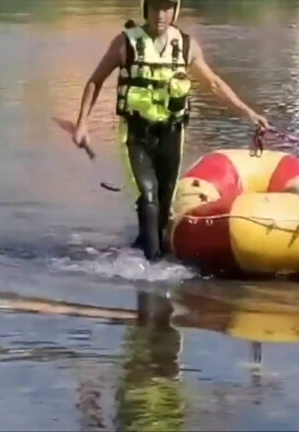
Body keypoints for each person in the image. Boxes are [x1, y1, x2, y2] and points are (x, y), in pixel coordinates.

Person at [72, 0, 270, 262]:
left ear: (175, 10)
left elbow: (214, 84)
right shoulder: (125, 43)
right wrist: (82, 123)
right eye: (155, 8)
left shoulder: (186, 46)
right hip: (136, 134)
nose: (160, 15)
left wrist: (249, 113)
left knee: (164, 206)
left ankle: (145, 247)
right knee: (149, 197)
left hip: (171, 134)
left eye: (166, 8)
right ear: (146, 9)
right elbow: (95, 81)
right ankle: (153, 270)